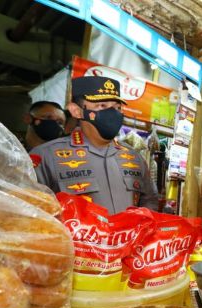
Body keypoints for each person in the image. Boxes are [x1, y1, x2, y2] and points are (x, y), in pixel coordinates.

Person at [30, 76, 158, 214]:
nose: (112, 113)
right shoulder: (45, 157)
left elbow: (150, 202)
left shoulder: (134, 158)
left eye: (117, 107)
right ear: (76, 111)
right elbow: (33, 213)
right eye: (102, 105)